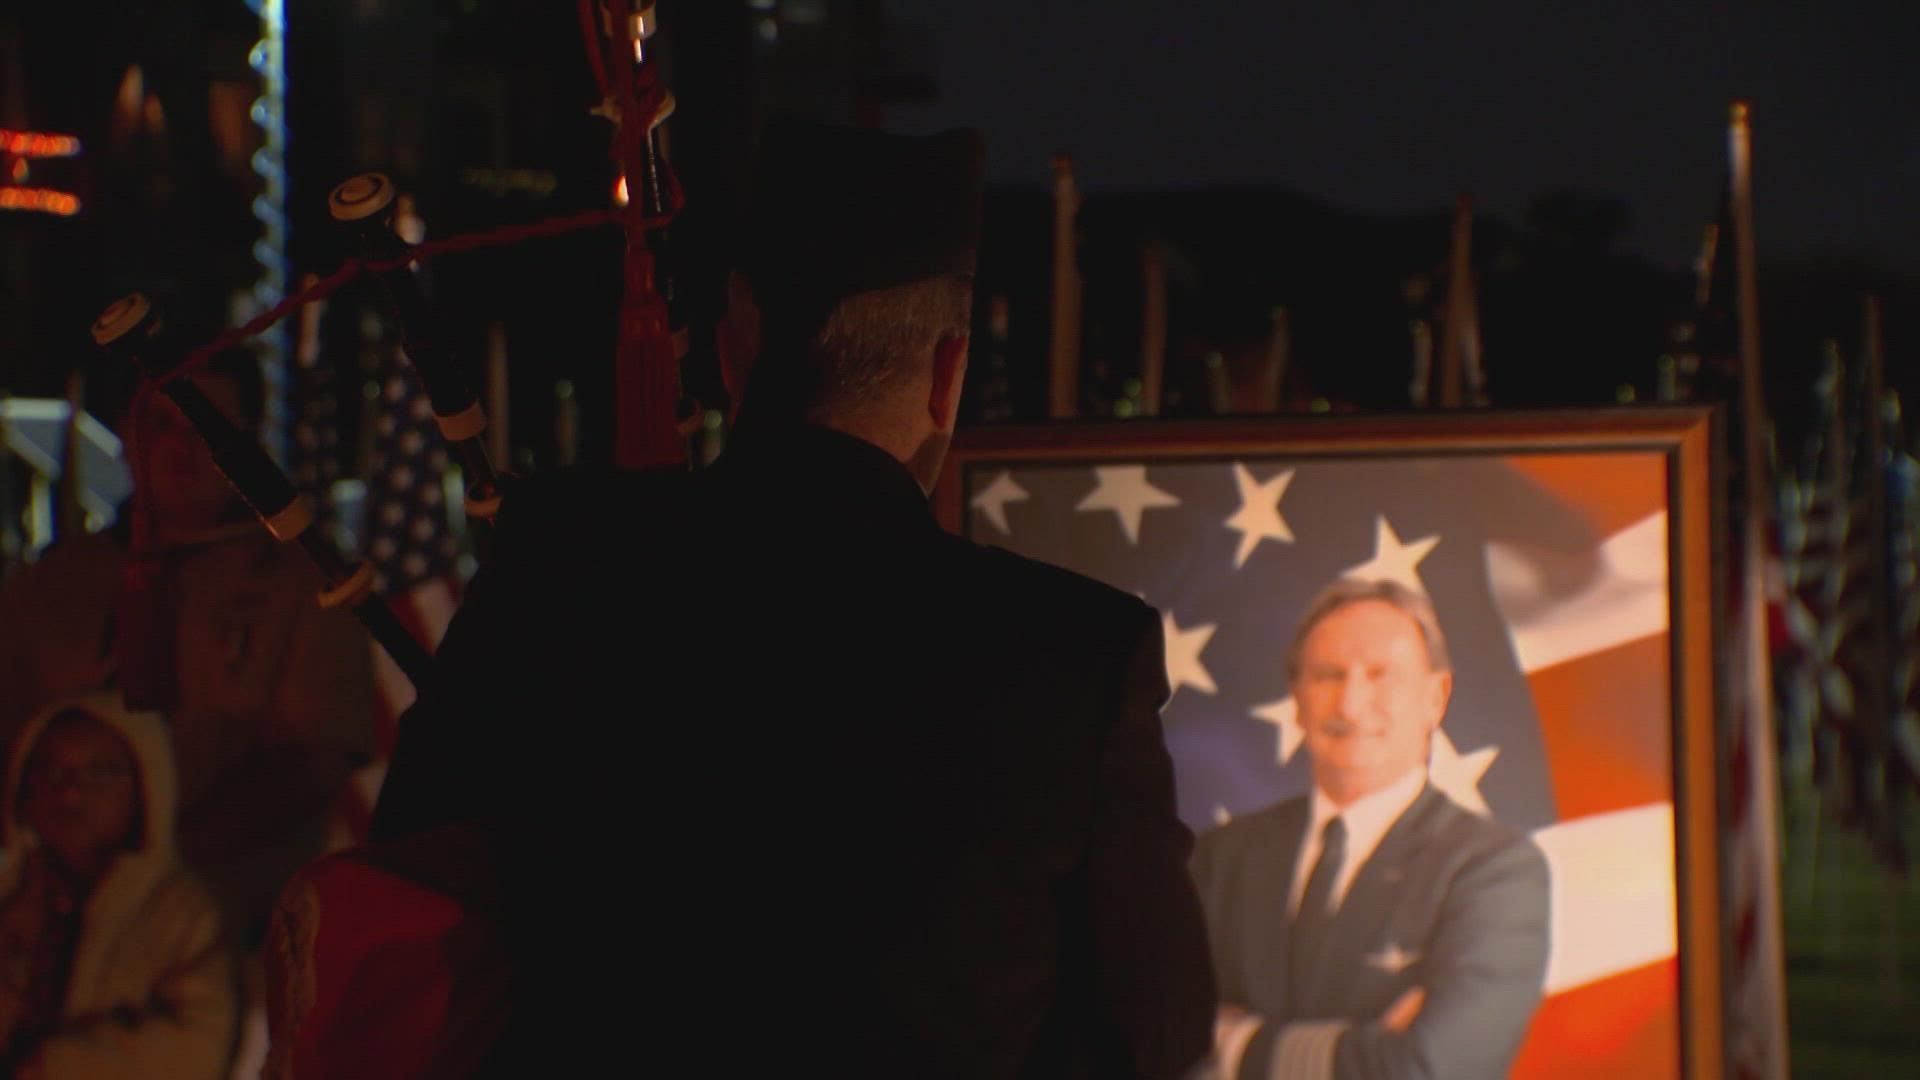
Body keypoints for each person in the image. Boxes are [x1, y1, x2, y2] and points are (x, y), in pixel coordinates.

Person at [367, 119, 1216, 1077]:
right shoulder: (1079, 657)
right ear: (948, 377)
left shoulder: (557, 563)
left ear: (737, 346)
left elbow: (406, 904)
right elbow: (1154, 1035)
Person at [0, 352, 377, 950]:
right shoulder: (52, 587)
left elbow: (315, 759)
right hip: (46, 925)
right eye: (162, 426)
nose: (184, 451)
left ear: (247, 441)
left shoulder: (303, 584)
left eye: (210, 429)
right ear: (126, 434)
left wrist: (162, 864)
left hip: (232, 925)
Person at [1189, 577, 1549, 1080]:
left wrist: (1231, 1042)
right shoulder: (1218, 859)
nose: (1351, 704)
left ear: (1435, 697)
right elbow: (1143, 1045)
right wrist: (1367, 1050)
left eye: (1382, 676)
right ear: (1297, 698)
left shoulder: (1496, 870)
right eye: (1327, 676)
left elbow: (1427, 1068)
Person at [0, 692, 237, 1078]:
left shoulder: (184, 912)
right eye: (51, 771)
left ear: (146, 784)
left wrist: (55, 1066)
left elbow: (199, 1045)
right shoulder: (11, 891)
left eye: (99, 772)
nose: (70, 792)